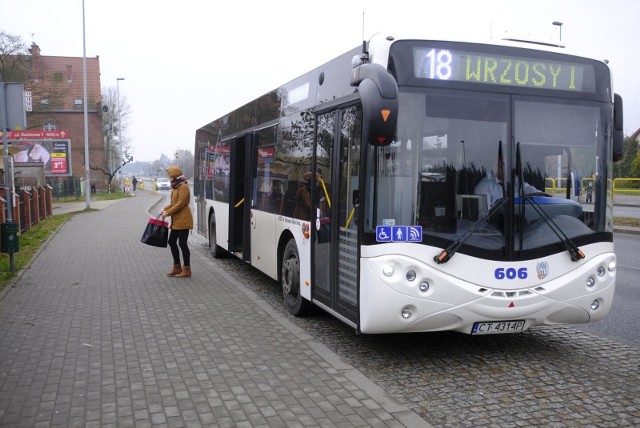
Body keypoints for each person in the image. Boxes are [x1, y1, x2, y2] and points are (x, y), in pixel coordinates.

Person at [161, 166, 193, 278]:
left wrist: (168, 213)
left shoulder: (183, 186)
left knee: (182, 244)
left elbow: (180, 204)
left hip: (184, 219)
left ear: (174, 175)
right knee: (172, 241)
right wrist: (165, 209)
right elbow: (174, 203)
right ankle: (177, 266)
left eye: (170, 175)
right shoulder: (175, 187)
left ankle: (187, 268)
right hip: (176, 220)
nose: (169, 178)